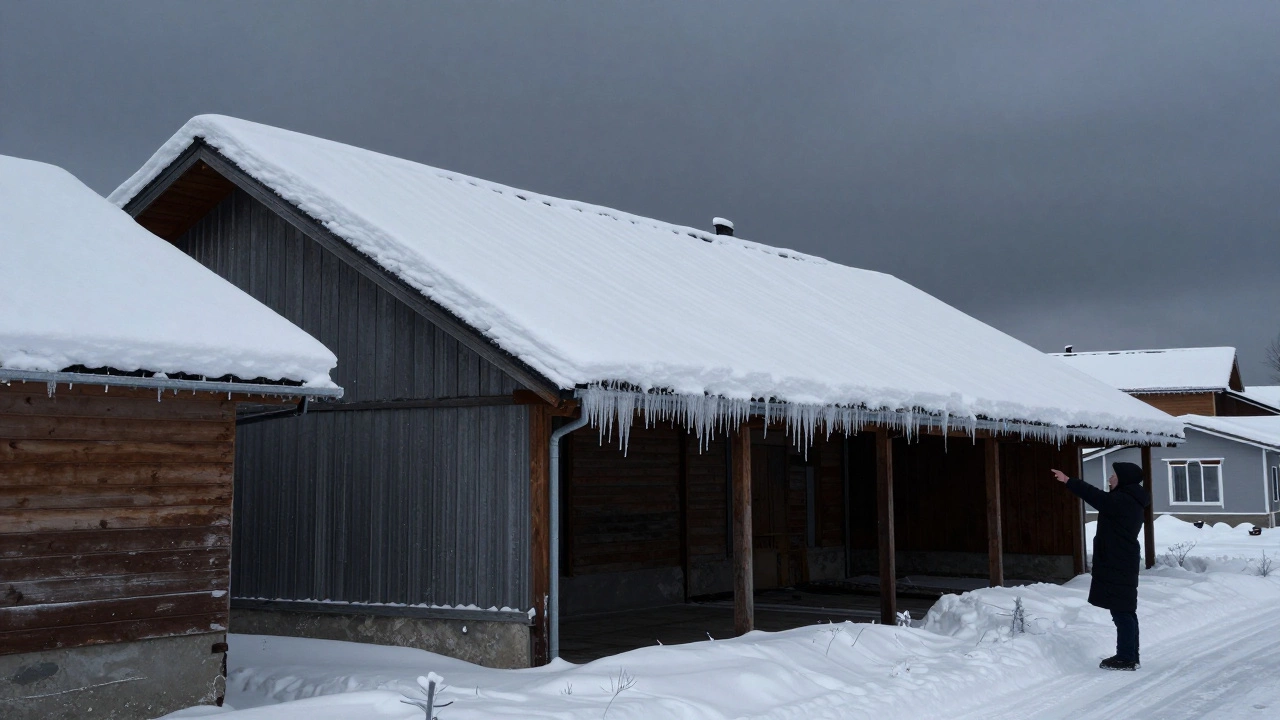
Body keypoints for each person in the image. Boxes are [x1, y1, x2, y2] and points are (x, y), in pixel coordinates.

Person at [1051, 462, 1149, 671]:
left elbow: (1096, 496)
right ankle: (1131, 655)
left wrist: (1069, 481)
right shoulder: (1130, 499)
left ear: (1123, 479)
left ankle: (1126, 657)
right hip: (1121, 559)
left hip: (1118, 561)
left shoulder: (1123, 500)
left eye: (1114, 475)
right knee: (1126, 609)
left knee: (1122, 611)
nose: (1110, 479)